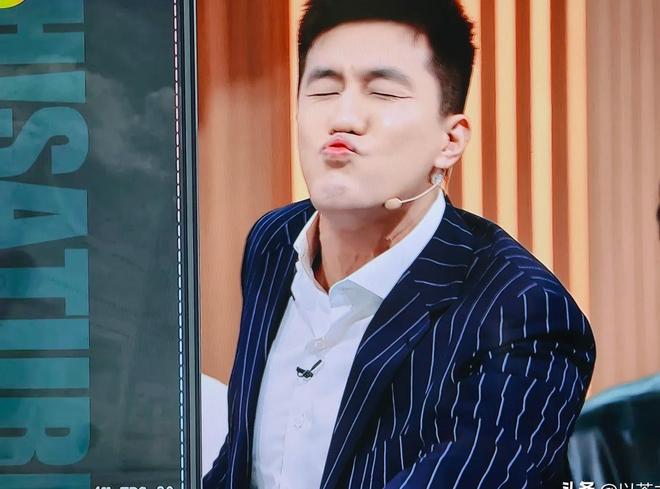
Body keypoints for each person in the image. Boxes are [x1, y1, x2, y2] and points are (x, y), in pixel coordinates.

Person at [204, 0, 596, 487]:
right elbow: (240, 462)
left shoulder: (521, 316)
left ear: (450, 141)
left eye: (384, 92)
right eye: (323, 89)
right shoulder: (274, 241)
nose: (344, 117)